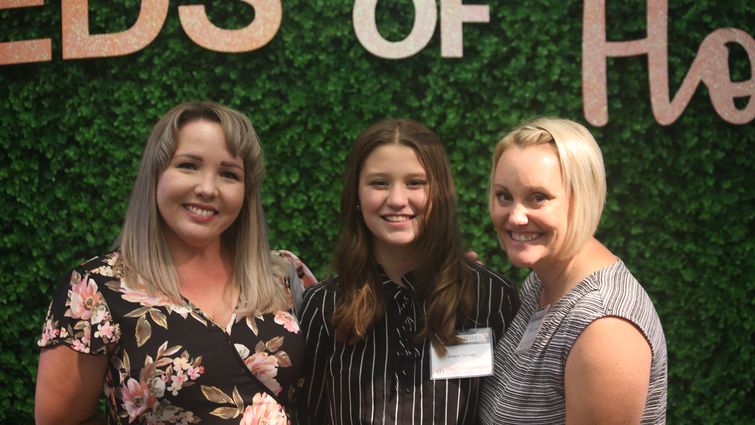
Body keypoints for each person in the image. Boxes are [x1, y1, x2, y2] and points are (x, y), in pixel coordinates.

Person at [35, 101, 312, 424]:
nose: (207, 189)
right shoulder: (94, 289)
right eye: (188, 166)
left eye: (228, 174)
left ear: (246, 190)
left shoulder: (284, 273)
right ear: (155, 174)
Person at [297, 118, 520, 424]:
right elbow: (308, 415)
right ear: (357, 196)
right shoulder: (323, 306)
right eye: (379, 183)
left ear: (440, 193)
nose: (397, 200)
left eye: (415, 183)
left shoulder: (490, 297)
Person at [478, 117, 667, 424]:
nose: (515, 217)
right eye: (504, 196)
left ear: (582, 198)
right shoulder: (541, 281)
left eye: (537, 197)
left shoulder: (605, 328)